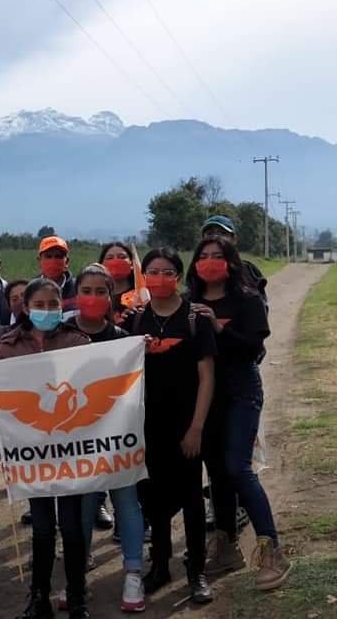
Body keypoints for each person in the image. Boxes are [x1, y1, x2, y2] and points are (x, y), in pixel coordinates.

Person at [188, 236, 290, 590]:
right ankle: (226, 548)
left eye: (219, 256)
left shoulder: (247, 299)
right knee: (217, 473)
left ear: (231, 262)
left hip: (241, 391)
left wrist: (218, 327)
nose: (211, 262)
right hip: (205, 396)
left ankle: (272, 549)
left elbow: (253, 348)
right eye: (204, 256)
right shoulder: (189, 300)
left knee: (237, 466)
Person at [0, 278, 92, 619]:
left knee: (74, 526)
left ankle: (77, 596)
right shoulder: (6, 348)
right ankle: (39, 598)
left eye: (53, 304)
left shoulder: (77, 341)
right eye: (40, 304)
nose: (47, 310)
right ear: (25, 307)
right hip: (33, 453)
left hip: (72, 450)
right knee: (44, 528)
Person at [129, 248, 215, 605]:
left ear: (178, 276)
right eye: (152, 271)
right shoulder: (136, 321)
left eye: (167, 271)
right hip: (148, 426)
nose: (159, 277)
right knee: (154, 500)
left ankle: (196, 569)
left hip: (186, 425)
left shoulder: (195, 318)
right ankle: (159, 565)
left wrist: (196, 427)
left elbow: (207, 377)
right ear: (144, 276)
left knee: (193, 499)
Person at [68, 265, 146, 613]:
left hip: (117, 439)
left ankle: (133, 570)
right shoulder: (61, 334)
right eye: (87, 290)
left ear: (111, 296)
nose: (94, 298)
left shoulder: (121, 338)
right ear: (76, 293)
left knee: (126, 502)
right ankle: (76, 574)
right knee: (82, 508)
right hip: (76, 444)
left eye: (102, 292)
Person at [201, 216, 268, 302]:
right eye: (210, 233)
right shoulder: (195, 272)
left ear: (234, 239)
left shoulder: (248, 271)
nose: (216, 237)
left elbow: (261, 309)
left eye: (222, 233)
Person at [36, 236, 77, 316]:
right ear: (39, 261)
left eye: (58, 256)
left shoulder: (78, 288)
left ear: (67, 262)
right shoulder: (31, 290)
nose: (53, 261)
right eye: (48, 256)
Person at [97, 242, 136, 323]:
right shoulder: (96, 295)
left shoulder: (141, 294)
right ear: (101, 265)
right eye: (110, 258)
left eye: (121, 257)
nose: (116, 261)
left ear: (132, 263)